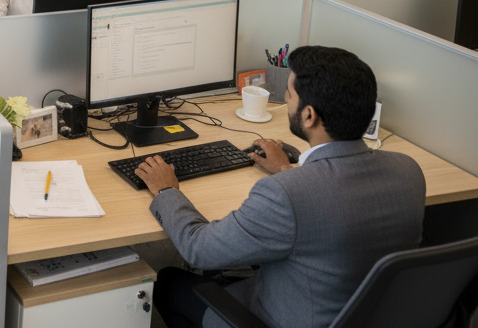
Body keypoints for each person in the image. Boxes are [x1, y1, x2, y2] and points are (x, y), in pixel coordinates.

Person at [138, 45, 426, 328]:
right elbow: (332, 205)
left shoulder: (286, 194)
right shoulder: (408, 169)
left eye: (288, 95)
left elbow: (198, 248)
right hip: (368, 316)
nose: (286, 101)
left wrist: (167, 191)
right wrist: (286, 170)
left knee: (169, 283)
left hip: (281, 317)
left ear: (309, 115)